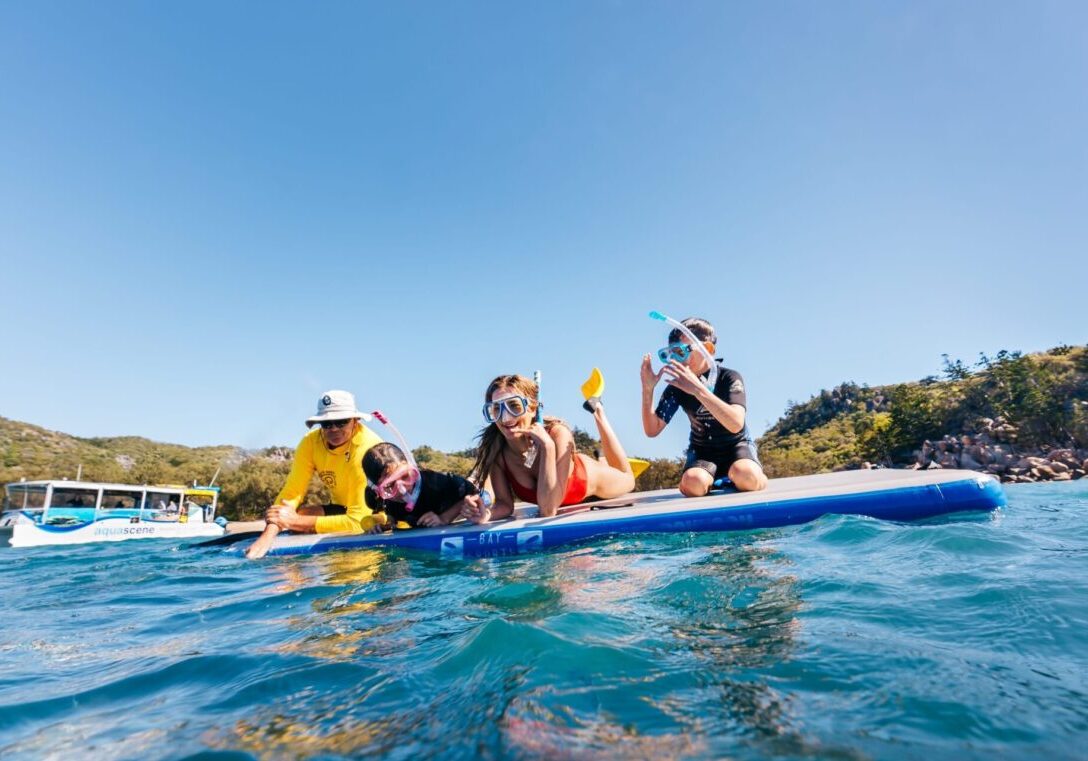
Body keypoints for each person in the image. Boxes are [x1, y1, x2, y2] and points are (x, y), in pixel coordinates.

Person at [463, 373, 635, 524]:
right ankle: (601, 457)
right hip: (563, 497)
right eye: (496, 409)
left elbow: (548, 510)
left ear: (532, 409)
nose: (505, 417)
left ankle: (598, 410)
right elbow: (504, 504)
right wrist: (485, 514)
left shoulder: (558, 434)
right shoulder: (498, 450)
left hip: (592, 482)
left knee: (628, 479)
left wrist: (547, 447)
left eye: (514, 406)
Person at [246, 390, 383, 559]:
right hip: (343, 509)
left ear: (355, 421)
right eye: (326, 424)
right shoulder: (311, 442)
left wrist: (293, 522)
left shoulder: (366, 449)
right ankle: (295, 582)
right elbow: (292, 492)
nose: (333, 429)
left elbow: (358, 522)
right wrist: (269, 532)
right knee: (301, 514)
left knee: (298, 520)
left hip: (374, 516)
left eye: (341, 422)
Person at [640, 317, 767, 496]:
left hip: (736, 446)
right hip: (703, 451)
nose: (676, 360)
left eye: (681, 351)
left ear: (707, 349)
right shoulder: (676, 388)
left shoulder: (729, 378)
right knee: (694, 484)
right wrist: (647, 390)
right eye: (670, 354)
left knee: (747, 476)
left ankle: (747, 475)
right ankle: (709, 479)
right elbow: (652, 430)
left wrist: (698, 390)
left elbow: (735, 424)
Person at [361, 443, 488, 529]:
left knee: (484, 494)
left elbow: (473, 492)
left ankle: (483, 468)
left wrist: (444, 518)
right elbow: (391, 516)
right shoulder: (387, 501)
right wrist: (385, 525)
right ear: (377, 490)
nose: (402, 489)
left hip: (465, 494)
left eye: (405, 476)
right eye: (390, 486)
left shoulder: (436, 482)